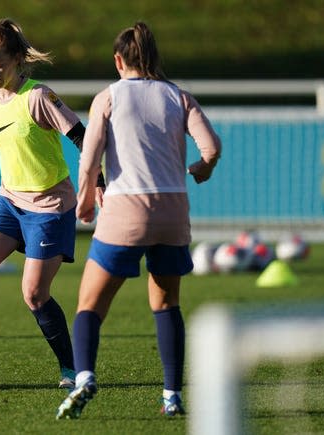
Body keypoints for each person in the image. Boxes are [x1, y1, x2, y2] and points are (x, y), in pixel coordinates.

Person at [56, 22, 221, 419]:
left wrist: (85, 202)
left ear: (118, 60)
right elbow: (211, 148)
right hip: (172, 211)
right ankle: (172, 395)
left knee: (90, 304)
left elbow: (90, 156)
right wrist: (201, 168)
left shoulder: (108, 98)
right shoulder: (178, 97)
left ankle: (84, 378)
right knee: (166, 303)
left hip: (126, 210)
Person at [0, 18, 104, 390]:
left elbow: (81, 136)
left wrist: (98, 183)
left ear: (16, 60)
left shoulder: (38, 97)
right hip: (10, 202)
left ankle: (72, 370)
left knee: (34, 294)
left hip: (50, 207)